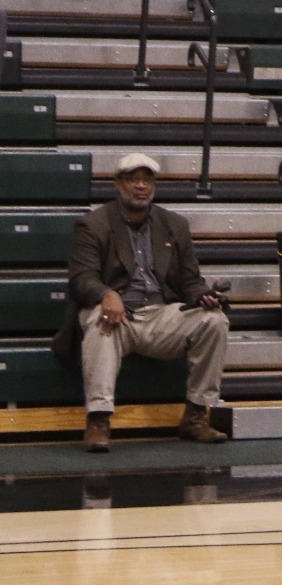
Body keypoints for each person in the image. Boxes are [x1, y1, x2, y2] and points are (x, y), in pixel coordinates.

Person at [64, 153, 230, 453]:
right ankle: (98, 421)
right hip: (119, 315)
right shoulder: (94, 224)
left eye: (147, 179)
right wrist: (106, 294)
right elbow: (81, 278)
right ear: (118, 184)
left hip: (160, 315)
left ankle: (195, 416)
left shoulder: (174, 225)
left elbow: (191, 281)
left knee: (214, 321)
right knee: (101, 320)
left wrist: (203, 294)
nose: (141, 186)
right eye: (133, 179)